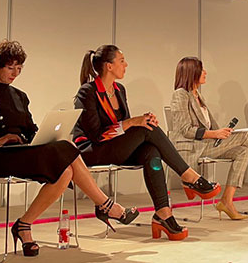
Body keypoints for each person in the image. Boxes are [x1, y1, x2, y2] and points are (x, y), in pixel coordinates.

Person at [0, 40, 138, 257]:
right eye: (10, 67)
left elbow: (31, 131)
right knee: (66, 149)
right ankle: (107, 206)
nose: (15, 73)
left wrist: (44, 136)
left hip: (21, 153)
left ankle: (23, 225)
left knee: (65, 171)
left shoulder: (20, 96)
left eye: (19, 68)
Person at [73, 45, 220, 241]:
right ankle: (189, 176)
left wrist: (140, 121)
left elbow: (123, 127)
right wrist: (135, 122)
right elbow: (96, 135)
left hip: (114, 148)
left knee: (151, 151)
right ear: (109, 66)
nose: (126, 65)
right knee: (145, 128)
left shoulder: (119, 90)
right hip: (92, 151)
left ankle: (163, 214)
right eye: (122, 61)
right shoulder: (88, 92)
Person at [169, 57, 248, 220]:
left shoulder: (198, 96)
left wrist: (223, 132)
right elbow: (185, 130)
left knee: (243, 152)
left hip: (206, 144)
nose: (205, 72)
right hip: (192, 148)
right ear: (191, 72)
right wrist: (215, 134)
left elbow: (211, 127)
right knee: (244, 136)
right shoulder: (180, 95)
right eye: (201, 69)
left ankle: (227, 201)